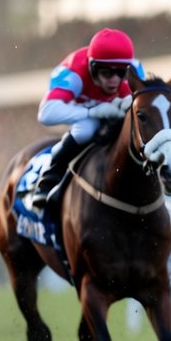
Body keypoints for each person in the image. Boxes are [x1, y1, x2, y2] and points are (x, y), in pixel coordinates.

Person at [27, 28, 144, 210]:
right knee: (86, 129)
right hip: (80, 106)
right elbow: (46, 113)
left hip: (109, 107)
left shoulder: (135, 70)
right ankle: (49, 178)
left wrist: (128, 102)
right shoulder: (74, 73)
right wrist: (93, 111)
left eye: (121, 73)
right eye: (106, 73)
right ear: (92, 67)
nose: (114, 80)